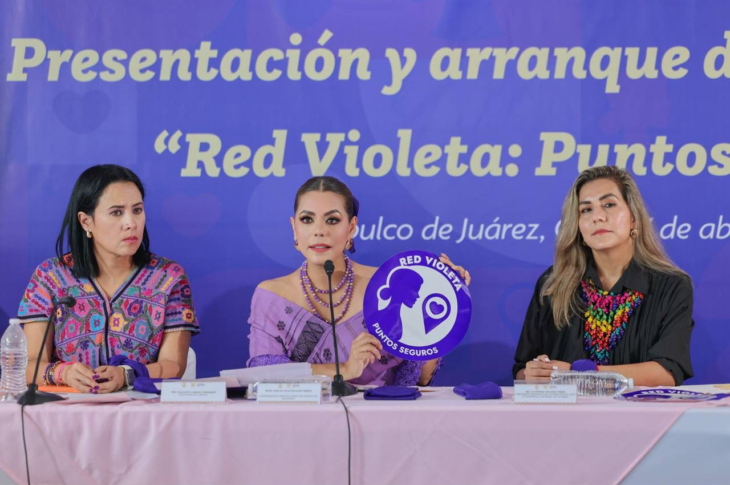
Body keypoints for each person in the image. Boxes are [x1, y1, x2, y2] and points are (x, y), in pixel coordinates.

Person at [247, 176, 470, 386]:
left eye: (332, 220)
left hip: (381, 413)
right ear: (294, 227)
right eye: (307, 219)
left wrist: (447, 292)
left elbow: (421, 378)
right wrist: (344, 370)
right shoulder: (271, 297)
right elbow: (264, 376)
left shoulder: (385, 283)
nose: (319, 231)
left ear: (351, 227)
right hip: (298, 415)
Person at [18, 165, 199, 393]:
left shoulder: (168, 277)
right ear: (86, 221)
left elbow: (174, 365)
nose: (131, 223)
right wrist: (63, 372)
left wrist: (127, 374)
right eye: (116, 212)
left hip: (142, 407)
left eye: (137, 210)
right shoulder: (51, 276)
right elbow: (28, 366)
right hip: (65, 407)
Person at [514, 166, 693, 386]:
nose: (597, 217)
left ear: (634, 218)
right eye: (586, 210)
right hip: (565, 409)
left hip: (639, 409)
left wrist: (577, 374)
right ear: (577, 225)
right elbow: (521, 370)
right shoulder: (552, 284)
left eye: (609, 205)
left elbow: (667, 373)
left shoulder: (672, 285)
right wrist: (534, 374)